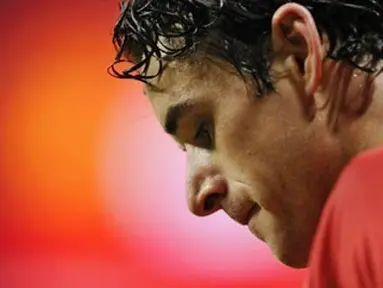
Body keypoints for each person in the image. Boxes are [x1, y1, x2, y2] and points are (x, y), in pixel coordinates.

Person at [108, 0, 383, 286]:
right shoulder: (349, 248)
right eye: (184, 148)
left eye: (203, 131)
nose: (197, 198)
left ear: (298, 54)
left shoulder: (365, 206)